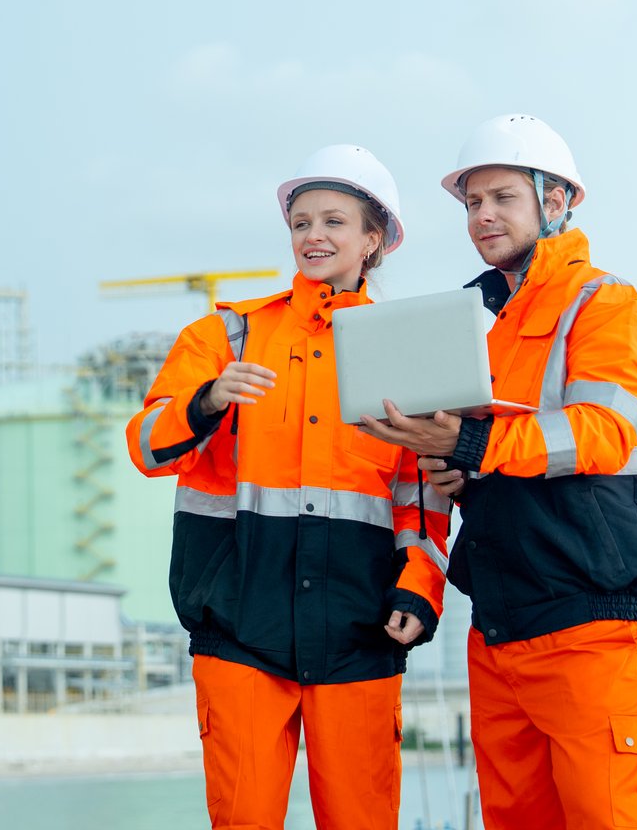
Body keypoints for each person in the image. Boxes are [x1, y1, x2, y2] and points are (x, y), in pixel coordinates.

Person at [357, 114, 637, 829]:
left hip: (592, 615)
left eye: (502, 197)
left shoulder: (611, 307)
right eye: (472, 203)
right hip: (499, 621)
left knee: (604, 817)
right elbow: (494, 447)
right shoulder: (475, 324)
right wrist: (452, 466)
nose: (482, 217)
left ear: (558, 200)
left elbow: (600, 434)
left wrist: (472, 447)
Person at [127, 144, 450, 830]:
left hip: (360, 628)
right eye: (301, 222)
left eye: (334, 221)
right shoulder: (227, 336)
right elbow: (147, 446)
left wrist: (419, 590)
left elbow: (421, 495)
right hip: (240, 625)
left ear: (374, 239)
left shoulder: (403, 346)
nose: (314, 236)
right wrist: (208, 400)